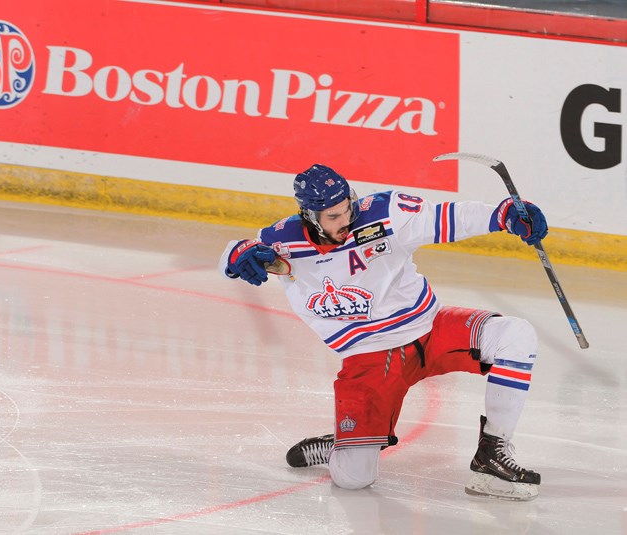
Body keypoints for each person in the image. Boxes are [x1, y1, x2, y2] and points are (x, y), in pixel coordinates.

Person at [218, 164, 548, 501]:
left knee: (515, 335)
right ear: (310, 216)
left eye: (346, 207)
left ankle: (491, 453)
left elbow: (448, 217)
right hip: (369, 361)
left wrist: (503, 214)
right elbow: (234, 256)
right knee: (353, 479)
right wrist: (236, 255)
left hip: (430, 332)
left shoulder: (386, 212)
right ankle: (341, 445)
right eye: (332, 216)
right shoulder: (282, 242)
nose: (344, 219)